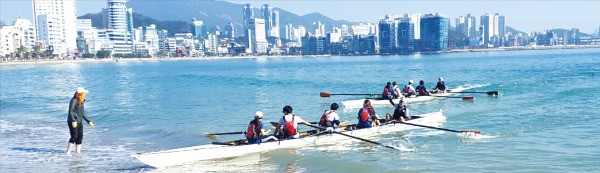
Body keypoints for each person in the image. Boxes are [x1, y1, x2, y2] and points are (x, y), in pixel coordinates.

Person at [66, 87, 94, 155]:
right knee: (74, 137)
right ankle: (68, 152)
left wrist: (88, 121)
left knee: (80, 137)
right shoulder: (74, 100)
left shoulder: (81, 100)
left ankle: (77, 153)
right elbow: (71, 111)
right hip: (73, 122)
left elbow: (82, 112)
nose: (84, 94)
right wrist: (73, 120)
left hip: (79, 121)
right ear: (79, 94)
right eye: (83, 93)